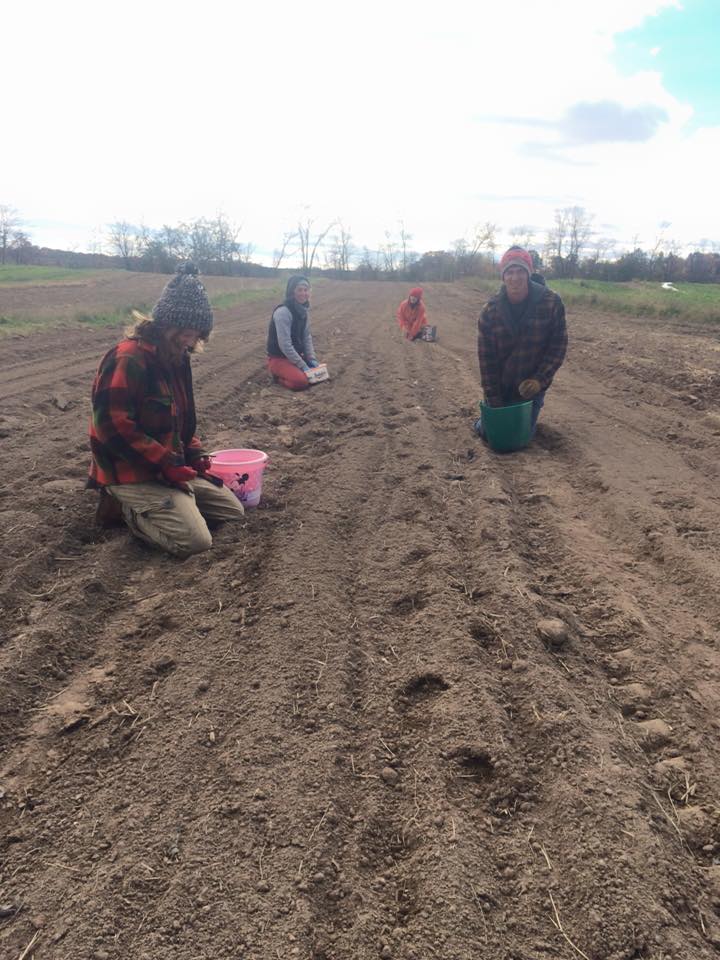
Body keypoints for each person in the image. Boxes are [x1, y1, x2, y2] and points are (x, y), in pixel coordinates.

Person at [87, 262, 245, 556]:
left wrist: (194, 454)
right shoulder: (127, 359)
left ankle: (176, 505)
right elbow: (110, 425)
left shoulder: (177, 358)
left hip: (166, 465)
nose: (191, 341)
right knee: (196, 542)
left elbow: (179, 419)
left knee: (233, 511)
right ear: (165, 325)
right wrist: (166, 463)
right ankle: (127, 509)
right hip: (130, 469)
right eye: (186, 333)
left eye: (197, 335)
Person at [475, 246, 567, 439]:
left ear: (529, 273)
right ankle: (481, 424)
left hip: (530, 390)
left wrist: (539, 380)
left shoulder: (551, 302)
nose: (514, 278)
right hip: (501, 386)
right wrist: (494, 402)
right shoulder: (490, 312)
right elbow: (487, 361)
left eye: (520, 271)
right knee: (494, 436)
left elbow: (557, 346)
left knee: (519, 438)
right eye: (509, 272)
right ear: (503, 276)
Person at [267, 275, 323, 390]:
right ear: (292, 292)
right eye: (299, 290)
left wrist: (311, 358)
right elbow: (285, 345)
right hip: (279, 358)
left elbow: (306, 337)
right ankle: (278, 377)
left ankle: (295, 370)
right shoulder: (283, 312)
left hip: (296, 356)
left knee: (319, 375)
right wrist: (302, 365)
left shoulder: (303, 311)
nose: (303, 293)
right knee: (301, 382)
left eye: (306, 290)